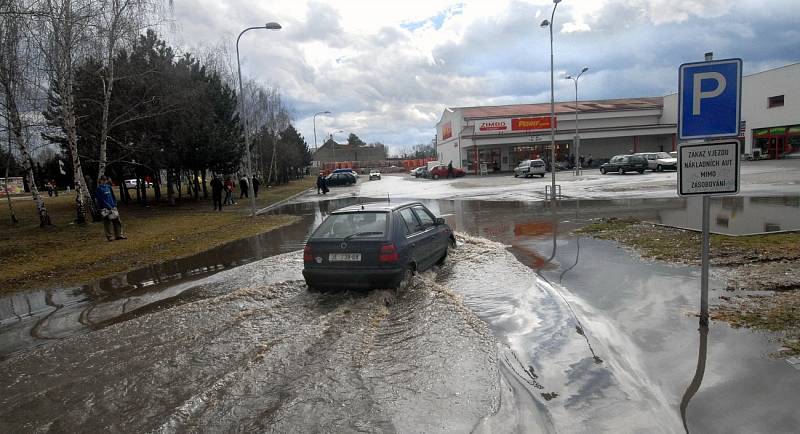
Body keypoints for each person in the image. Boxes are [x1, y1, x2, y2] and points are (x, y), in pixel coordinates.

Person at [96, 175, 126, 241]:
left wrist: (114, 204)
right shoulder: (99, 189)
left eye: (105, 180)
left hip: (113, 207)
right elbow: (101, 199)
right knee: (107, 222)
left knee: (117, 221)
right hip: (105, 208)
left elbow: (113, 196)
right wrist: (107, 206)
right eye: (103, 180)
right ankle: (109, 236)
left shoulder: (108, 187)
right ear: (100, 180)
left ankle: (119, 235)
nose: (104, 181)